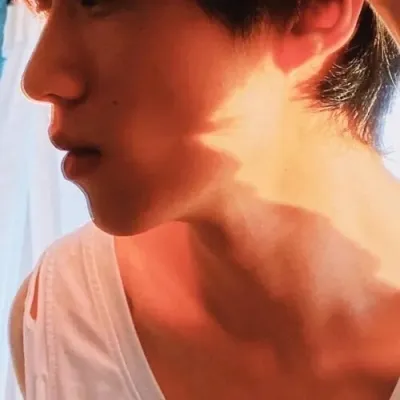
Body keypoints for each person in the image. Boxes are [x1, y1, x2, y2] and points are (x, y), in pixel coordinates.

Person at [8, 0, 400, 398]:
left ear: (313, 9)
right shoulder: (65, 322)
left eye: (101, 2)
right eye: (44, 10)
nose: (38, 79)